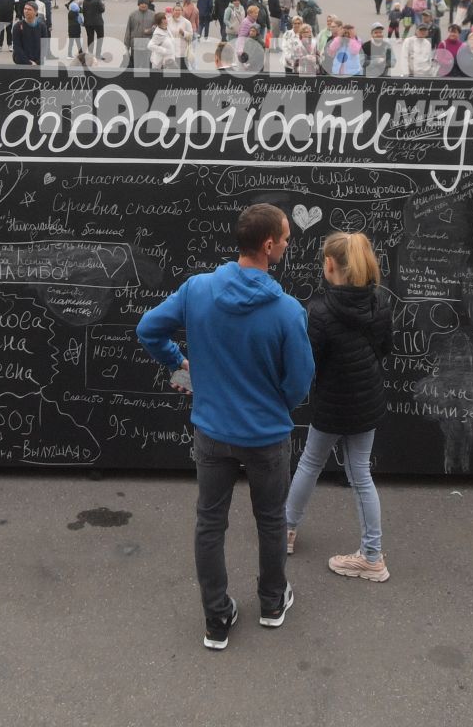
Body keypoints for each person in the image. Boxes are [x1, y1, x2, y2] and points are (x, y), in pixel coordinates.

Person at [135, 204, 313, 650]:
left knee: (210, 524)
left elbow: (148, 329)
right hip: (267, 437)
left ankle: (217, 619)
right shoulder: (288, 311)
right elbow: (300, 381)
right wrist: (275, 405)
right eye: (287, 239)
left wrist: (181, 367)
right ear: (268, 245)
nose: (288, 246)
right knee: (271, 521)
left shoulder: (197, 290)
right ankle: (272, 604)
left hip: (212, 432)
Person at [284, 231, 392, 582]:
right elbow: (384, 350)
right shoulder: (380, 304)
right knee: (361, 474)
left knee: (310, 463)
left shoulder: (319, 311)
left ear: (330, 265)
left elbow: (308, 361)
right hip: (367, 400)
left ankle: (285, 530)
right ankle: (371, 553)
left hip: (332, 403)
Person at [11, 1, 47, 66]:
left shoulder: (42, 26)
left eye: (29, 9)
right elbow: (17, 47)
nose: (26, 11)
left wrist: (38, 62)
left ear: (36, 12)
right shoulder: (17, 26)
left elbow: (44, 46)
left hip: (37, 61)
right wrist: (29, 63)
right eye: (25, 9)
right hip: (22, 61)